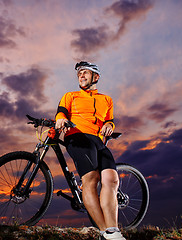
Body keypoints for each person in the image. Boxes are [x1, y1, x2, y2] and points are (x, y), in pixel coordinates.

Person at [55, 61, 125, 240]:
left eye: (85, 73)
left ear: (96, 77)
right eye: (79, 74)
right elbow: (61, 112)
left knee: (111, 180)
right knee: (91, 179)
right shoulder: (71, 96)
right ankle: (104, 231)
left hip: (98, 141)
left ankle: (113, 231)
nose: (81, 76)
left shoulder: (106, 100)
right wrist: (61, 119)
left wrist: (109, 125)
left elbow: (109, 120)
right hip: (77, 136)